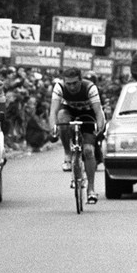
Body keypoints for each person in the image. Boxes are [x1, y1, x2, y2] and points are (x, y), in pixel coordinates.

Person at [48, 67, 106, 204]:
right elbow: (53, 111)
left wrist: (100, 126)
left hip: (88, 113)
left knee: (88, 151)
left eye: (75, 83)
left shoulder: (90, 88)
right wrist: (53, 127)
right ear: (64, 82)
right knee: (62, 118)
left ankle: (91, 189)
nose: (72, 87)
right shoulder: (59, 87)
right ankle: (68, 154)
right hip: (69, 111)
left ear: (81, 80)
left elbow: (98, 112)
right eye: (69, 84)